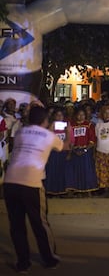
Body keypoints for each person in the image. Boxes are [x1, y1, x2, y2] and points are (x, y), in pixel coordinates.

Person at [3, 106, 71, 272]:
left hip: (10, 182)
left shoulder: (20, 133)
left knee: (17, 225)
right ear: (45, 120)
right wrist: (68, 131)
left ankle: (23, 263)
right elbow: (66, 146)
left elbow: (32, 137)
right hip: (31, 183)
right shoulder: (49, 135)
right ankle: (49, 259)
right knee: (40, 223)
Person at [66, 108, 98, 196]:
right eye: (79, 114)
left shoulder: (89, 125)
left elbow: (92, 140)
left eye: (82, 115)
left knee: (87, 171)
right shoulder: (71, 125)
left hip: (86, 151)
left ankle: (88, 190)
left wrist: (85, 150)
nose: (80, 117)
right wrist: (73, 150)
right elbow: (69, 139)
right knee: (76, 171)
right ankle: (77, 190)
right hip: (74, 151)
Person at [44, 109, 73, 196]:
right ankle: (51, 191)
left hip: (63, 152)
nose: (59, 117)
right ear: (53, 116)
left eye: (61, 115)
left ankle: (62, 191)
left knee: (62, 172)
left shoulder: (67, 126)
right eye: (57, 115)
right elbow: (47, 139)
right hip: (53, 152)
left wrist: (69, 153)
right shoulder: (50, 126)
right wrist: (51, 127)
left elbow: (71, 141)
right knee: (52, 171)